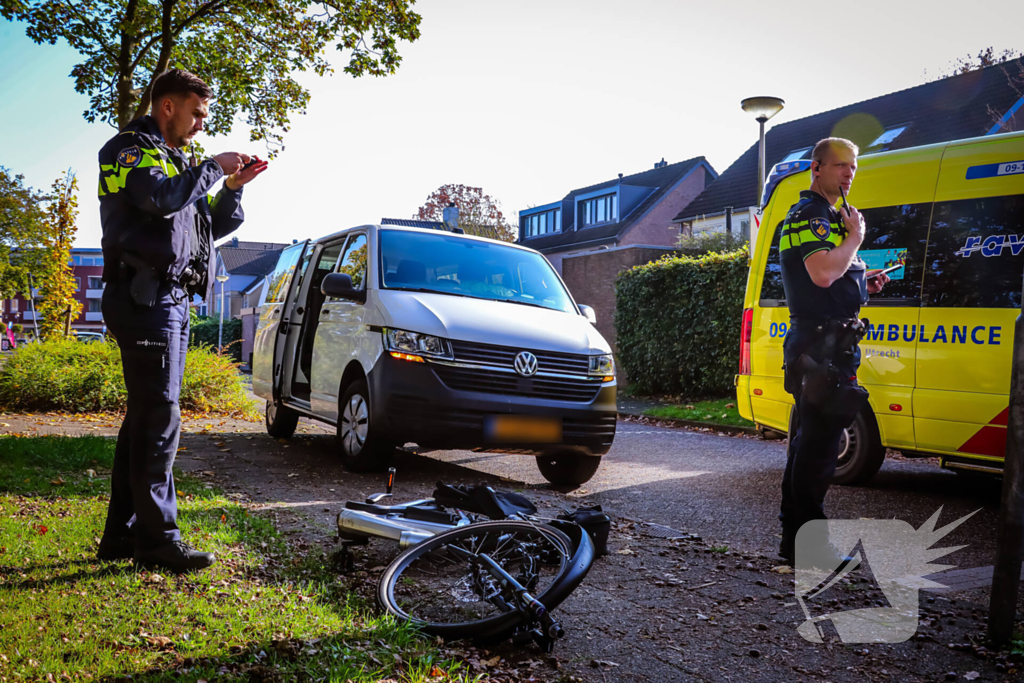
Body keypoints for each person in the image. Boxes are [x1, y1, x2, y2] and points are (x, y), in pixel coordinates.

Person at [95, 69, 268, 572]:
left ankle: (122, 537)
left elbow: (207, 226)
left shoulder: (174, 160)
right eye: (195, 113)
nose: (199, 124)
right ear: (166, 106)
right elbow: (159, 199)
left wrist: (231, 186)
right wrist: (213, 167)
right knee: (159, 418)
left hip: (169, 302)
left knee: (145, 419)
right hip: (145, 298)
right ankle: (157, 540)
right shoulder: (131, 149)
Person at [777, 137, 889, 565]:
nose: (848, 173)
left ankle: (795, 543)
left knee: (809, 447)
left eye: (853, 167)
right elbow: (823, 274)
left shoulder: (828, 217)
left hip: (827, 342)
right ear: (816, 168)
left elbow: (833, 276)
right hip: (820, 347)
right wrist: (856, 238)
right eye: (840, 165)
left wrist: (862, 281)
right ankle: (807, 547)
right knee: (818, 452)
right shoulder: (813, 215)